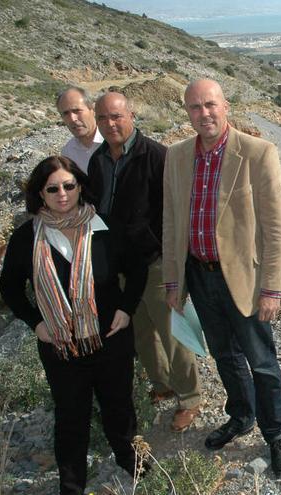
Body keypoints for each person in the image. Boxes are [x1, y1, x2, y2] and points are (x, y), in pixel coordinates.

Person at [162, 79, 281, 477]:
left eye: (210, 105)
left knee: (262, 361)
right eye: (195, 107)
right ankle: (241, 415)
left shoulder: (257, 153)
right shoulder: (177, 156)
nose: (204, 114)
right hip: (199, 277)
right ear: (187, 112)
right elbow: (171, 222)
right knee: (224, 355)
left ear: (226, 106)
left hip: (246, 281)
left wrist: (272, 286)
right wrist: (173, 281)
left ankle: (277, 435)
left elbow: (276, 227)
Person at [0, 156, 147, 494]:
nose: (62, 193)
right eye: (52, 188)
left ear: (80, 187)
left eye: (69, 185)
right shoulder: (27, 238)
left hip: (111, 339)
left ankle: (128, 457)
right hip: (60, 346)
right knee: (70, 415)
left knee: (119, 405)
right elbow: (8, 286)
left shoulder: (105, 227)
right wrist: (35, 323)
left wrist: (126, 309)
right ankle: (72, 482)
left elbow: (137, 269)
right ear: (40, 194)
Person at [88, 91, 203, 432]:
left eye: (116, 116)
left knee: (174, 333)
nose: (110, 124)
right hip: (121, 266)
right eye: (103, 119)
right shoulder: (98, 160)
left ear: (131, 116)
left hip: (155, 262)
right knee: (141, 333)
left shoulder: (155, 155)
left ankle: (190, 397)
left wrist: (173, 262)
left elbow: (176, 211)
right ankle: (162, 384)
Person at [56, 87, 103, 173]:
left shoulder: (113, 142)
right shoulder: (68, 153)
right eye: (66, 113)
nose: (72, 119)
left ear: (92, 109)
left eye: (77, 111)